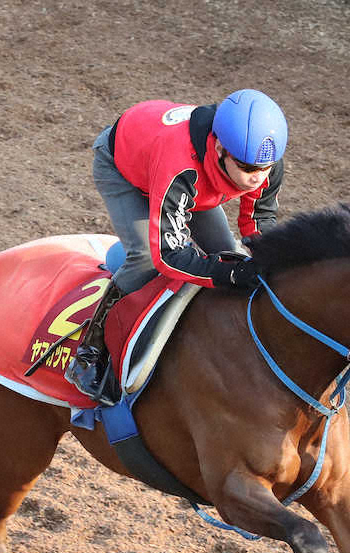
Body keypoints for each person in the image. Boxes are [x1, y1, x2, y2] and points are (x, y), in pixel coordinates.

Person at [66, 88, 289, 404]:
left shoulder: (261, 160)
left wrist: (272, 259)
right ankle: (90, 351)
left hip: (195, 183)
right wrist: (232, 274)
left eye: (265, 169)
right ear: (220, 148)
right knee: (143, 257)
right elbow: (168, 256)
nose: (257, 178)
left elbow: (258, 218)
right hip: (126, 172)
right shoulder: (180, 165)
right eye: (249, 169)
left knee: (226, 253)